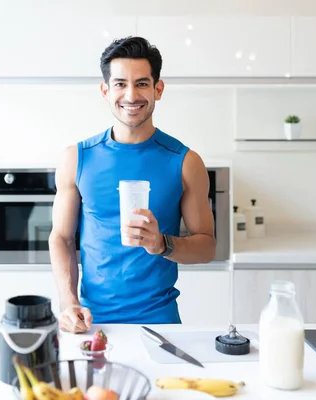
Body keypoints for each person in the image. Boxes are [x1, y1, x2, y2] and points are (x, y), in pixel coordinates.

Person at [49, 36, 216, 333]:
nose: (130, 95)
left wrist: (161, 243)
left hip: (160, 324)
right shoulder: (76, 158)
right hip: (90, 322)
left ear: (158, 89)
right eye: (120, 84)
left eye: (141, 83)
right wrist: (68, 303)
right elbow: (61, 238)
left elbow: (206, 247)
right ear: (105, 90)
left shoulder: (186, 162)